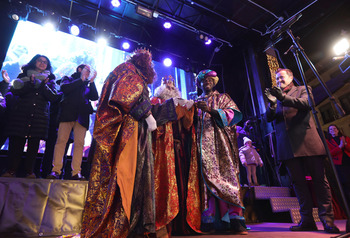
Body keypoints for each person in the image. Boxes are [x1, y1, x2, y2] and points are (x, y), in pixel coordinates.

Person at [81, 49, 176, 237]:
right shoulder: (130, 71)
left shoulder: (127, 71)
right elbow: (123, 98)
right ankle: (124, 223)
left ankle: (132, 223)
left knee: (135, 175)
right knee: (127, 174)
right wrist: (147, 115)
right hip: (128, 133)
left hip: (135, 132)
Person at [265, 68, 340, 233]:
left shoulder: (302, 89)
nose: (278, 81)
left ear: (291, 77)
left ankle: (327, 220)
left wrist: (282, 97)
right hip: (288, 147)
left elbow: (307, 104)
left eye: (281, 78)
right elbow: (270, 118)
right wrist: (272, 104)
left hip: (308, 142)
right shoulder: (277, 97)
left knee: (320, 182)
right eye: (276, 79)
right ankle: (307, 220)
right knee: (298, 185)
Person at [195, 69, 247, 235]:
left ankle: (235, 219)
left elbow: (235, 114)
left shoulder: (223, 97)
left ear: (214, 82)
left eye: (209, 80)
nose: (206, 82)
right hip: (201, 147)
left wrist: (211, 111)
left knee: (226, 176)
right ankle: (209, 219)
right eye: (203, 80)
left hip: (221, 146)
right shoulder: (195, 101)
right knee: (205, 181)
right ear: (199, 84)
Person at [150, 76, 201, 235]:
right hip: (161, 152)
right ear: (161, 87)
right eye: (167, 84)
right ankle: (166, 225)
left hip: (179, 150)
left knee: (181, 185)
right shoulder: (156, 101)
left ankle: (181, 225)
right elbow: (155, 124)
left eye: (172, 85)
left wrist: (190, 112)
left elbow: (187, 127)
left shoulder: (182, 103)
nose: (169, 86)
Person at [1, 54, 59, 178]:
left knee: (33, 147)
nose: (42, 63)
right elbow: (14, 91)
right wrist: (30, 84)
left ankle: (29, 171)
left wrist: (43, 86)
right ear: (34, 62)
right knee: (16, 145)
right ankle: (11, 170)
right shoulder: (23, 76)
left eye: (45, 62)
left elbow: (53, 97)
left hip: (39, 118)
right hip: (21, 115)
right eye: (40, 61)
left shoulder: (50, 80)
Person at [47, 64, 98, 180]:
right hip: (67, 115)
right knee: (61, 141)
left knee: (79, 144)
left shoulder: (88, 84)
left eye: (90, 71)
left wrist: (92, 81)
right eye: (87, 70)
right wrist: (81, 80)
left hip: (82, 117)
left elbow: (94, 97)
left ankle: (76, 172)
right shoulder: (68, 79)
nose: (89, 72)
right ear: (79, 69)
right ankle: (56, 170)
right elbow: (65, 89)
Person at [326, 124, 350, 202]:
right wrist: (339, 146)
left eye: (335, 128)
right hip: (339, 164)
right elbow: (330, 153)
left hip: (348, 160)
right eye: (331, 129)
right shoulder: (328, 141)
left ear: (338, 130)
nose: (333, 130)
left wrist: (345, 144)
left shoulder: (345, 138)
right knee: (346, 183)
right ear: (329, 132)